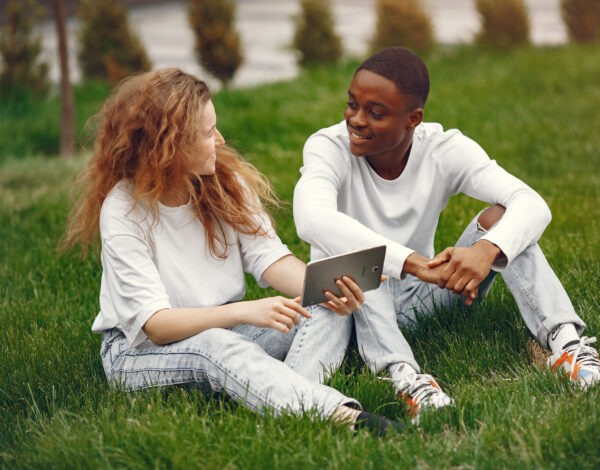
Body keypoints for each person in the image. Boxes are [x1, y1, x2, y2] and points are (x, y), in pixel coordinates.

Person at [61, 68, 403, 436]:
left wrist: (326, 285)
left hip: (226, 330)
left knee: (323, 306)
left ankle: (282, 399)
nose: (220, 140)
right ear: (169, 147)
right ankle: (339, 416)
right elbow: (156, 326)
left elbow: (269, 257)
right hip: (137, 353)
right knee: (217, 344)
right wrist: (245, 311)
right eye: (208, 133)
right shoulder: (124, 209)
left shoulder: (224, 183)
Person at [292, 47, 600, 422]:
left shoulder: (443, 149)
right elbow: (311, 219)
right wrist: (413, 263)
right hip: (352, 304)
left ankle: (566, 347)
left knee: (504, 221)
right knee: (364, 262)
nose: (356, 119)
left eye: (375, 112)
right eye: (352, 105)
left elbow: (531, 202)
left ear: (412, 119)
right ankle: (402, 377)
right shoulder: (327, 146)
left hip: (422, 298)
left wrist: (486, 249)